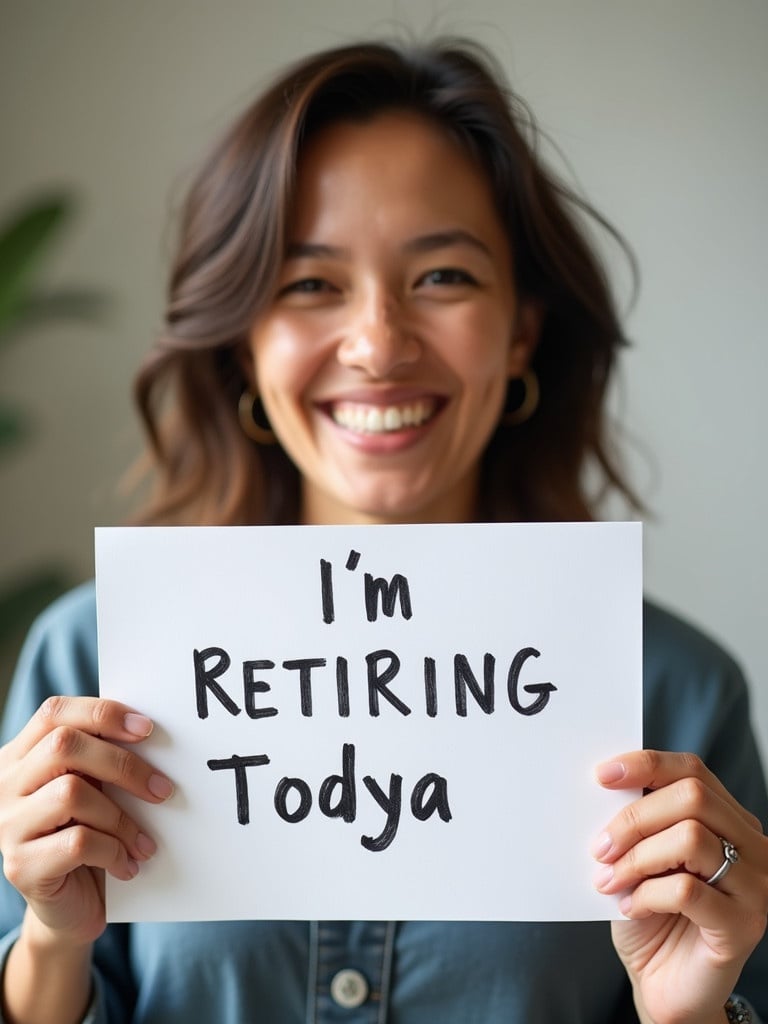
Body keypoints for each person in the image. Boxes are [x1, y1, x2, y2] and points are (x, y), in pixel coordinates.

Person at [0, 37, 766, 1024]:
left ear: (522, 327)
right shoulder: (90, 658)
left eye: (442, 275)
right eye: (310, 283)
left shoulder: (679, 692)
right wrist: (53, 939)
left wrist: (693, 1012)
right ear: (243, 339)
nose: (378, 345)